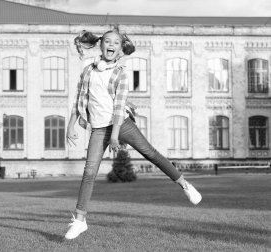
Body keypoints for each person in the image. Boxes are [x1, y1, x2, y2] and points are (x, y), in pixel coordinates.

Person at [65, 27, 202, 240]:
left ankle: (185, 184)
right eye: (107, 41)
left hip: (121, 124)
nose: (111, 44)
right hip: (99, 129)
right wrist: (71, 125)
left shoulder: (121, 74)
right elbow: (79, 100)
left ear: (120, 50)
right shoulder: (88, 71)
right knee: (89, 172)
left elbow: (119, 107)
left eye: (116, 43)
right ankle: (80, 220)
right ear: (101, 45)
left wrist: (115, 135)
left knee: (150, 153)